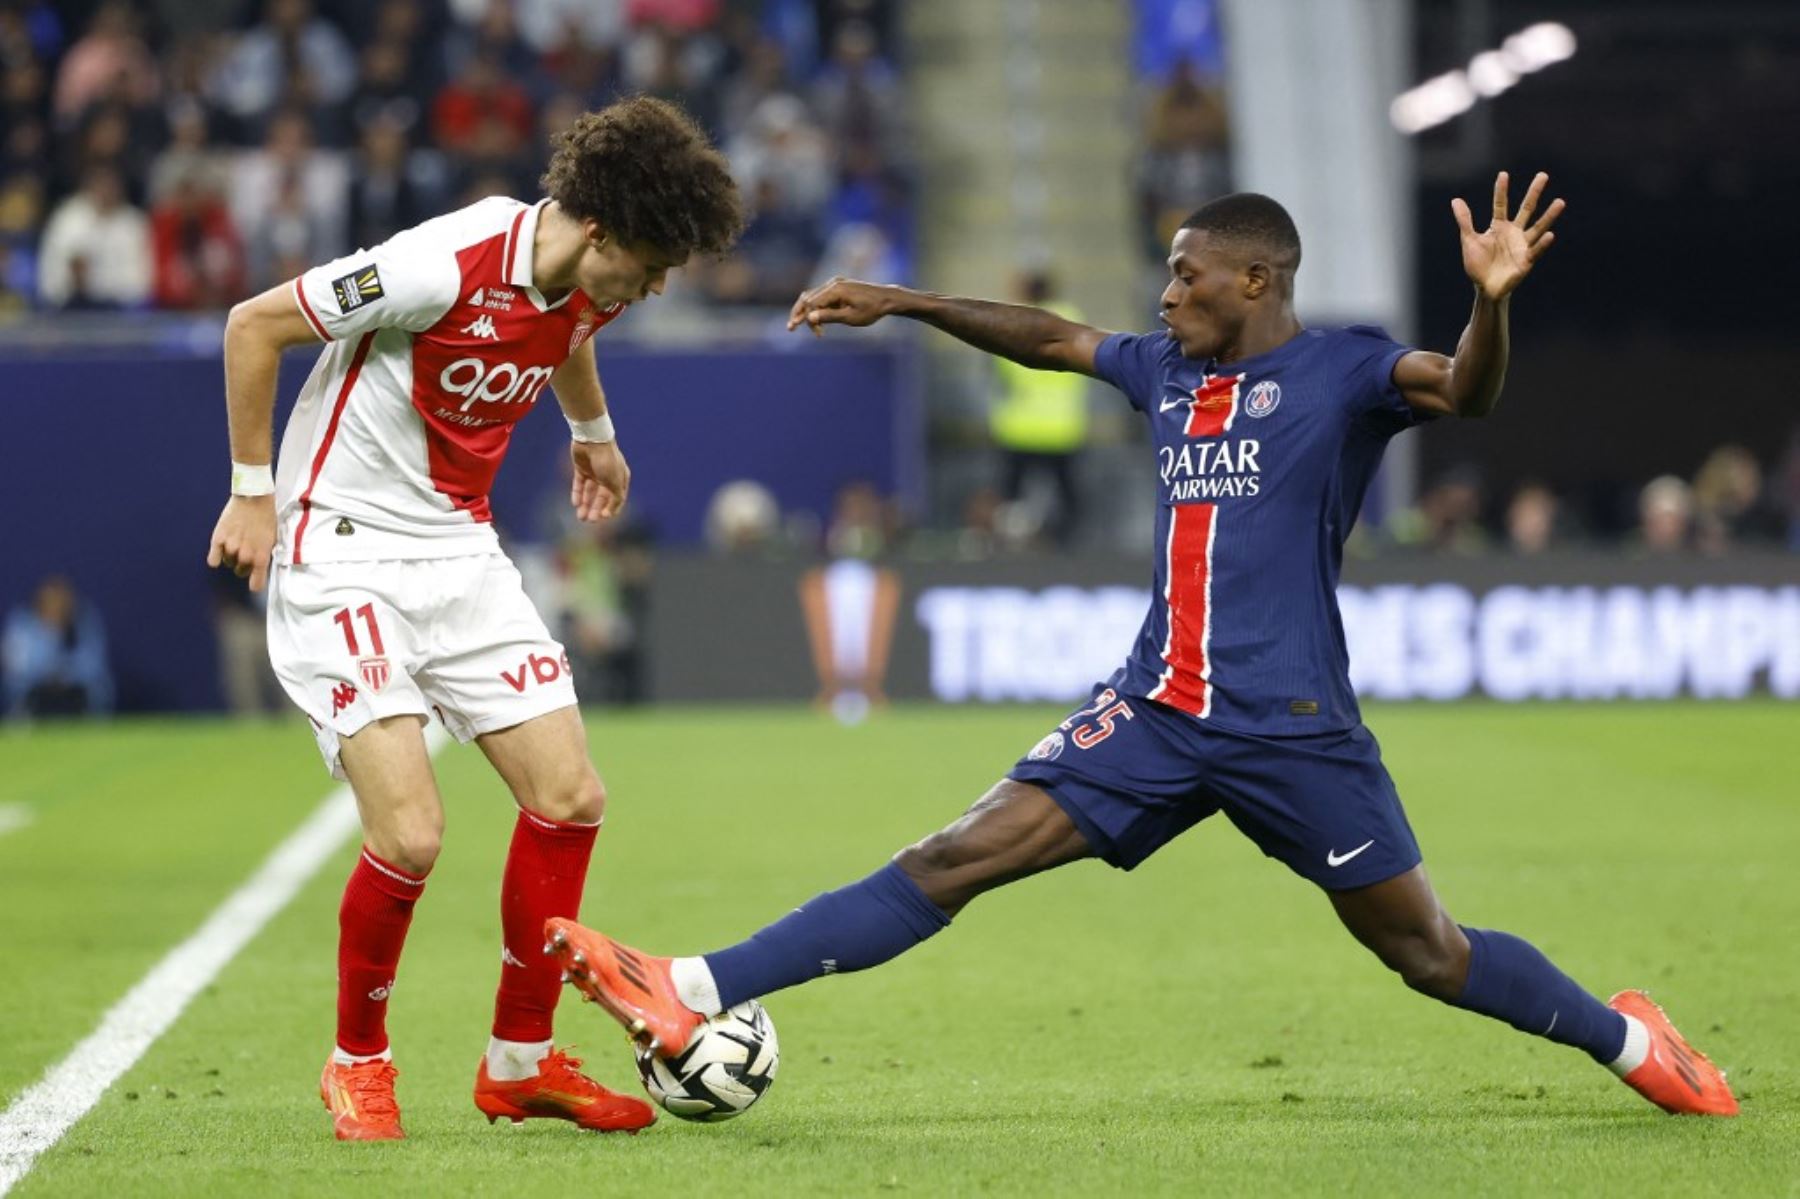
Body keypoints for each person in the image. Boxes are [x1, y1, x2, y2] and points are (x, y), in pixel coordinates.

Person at [547, 173, 1738, 1118]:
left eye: (1186, 276)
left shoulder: (1344, 368)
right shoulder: (1168, 369)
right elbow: (1052, 340)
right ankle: (692, 983)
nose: (1164, 297)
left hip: (1293, 728)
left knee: (1428, 951)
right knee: (953, 855)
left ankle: (1634, 1038)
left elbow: (1468, 395)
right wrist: (904, 303)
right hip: (1154, 713)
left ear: (1255, 278)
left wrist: (1490, 299)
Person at [204, 95, 743, 1142]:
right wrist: (250, 489)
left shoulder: (589, 278)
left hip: (459, 548)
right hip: (341, 548)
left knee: (571, 792)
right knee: (410, 833)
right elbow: (252, 324)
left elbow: (571, 325)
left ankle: (520, 1061)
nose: (659, 283)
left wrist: (592, 428)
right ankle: (357, 1061)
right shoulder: (437, 264)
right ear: (598, 228)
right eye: (653, 261)